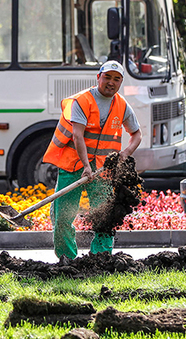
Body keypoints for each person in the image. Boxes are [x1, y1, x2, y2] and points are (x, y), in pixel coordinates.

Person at [43, 61, 142, 259]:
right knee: (63, 216)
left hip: (103, 170)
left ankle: (101, 258)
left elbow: (137, 134)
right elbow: (77, 136)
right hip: (74, 167)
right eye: (107, 77)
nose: (111, 83)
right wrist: (86, 167)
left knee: (106, 217)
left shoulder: (122, 105)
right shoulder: (82, 101)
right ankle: (67, 260)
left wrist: (125, 153)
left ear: (121, 82)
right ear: (98, 77)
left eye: (116, 79)